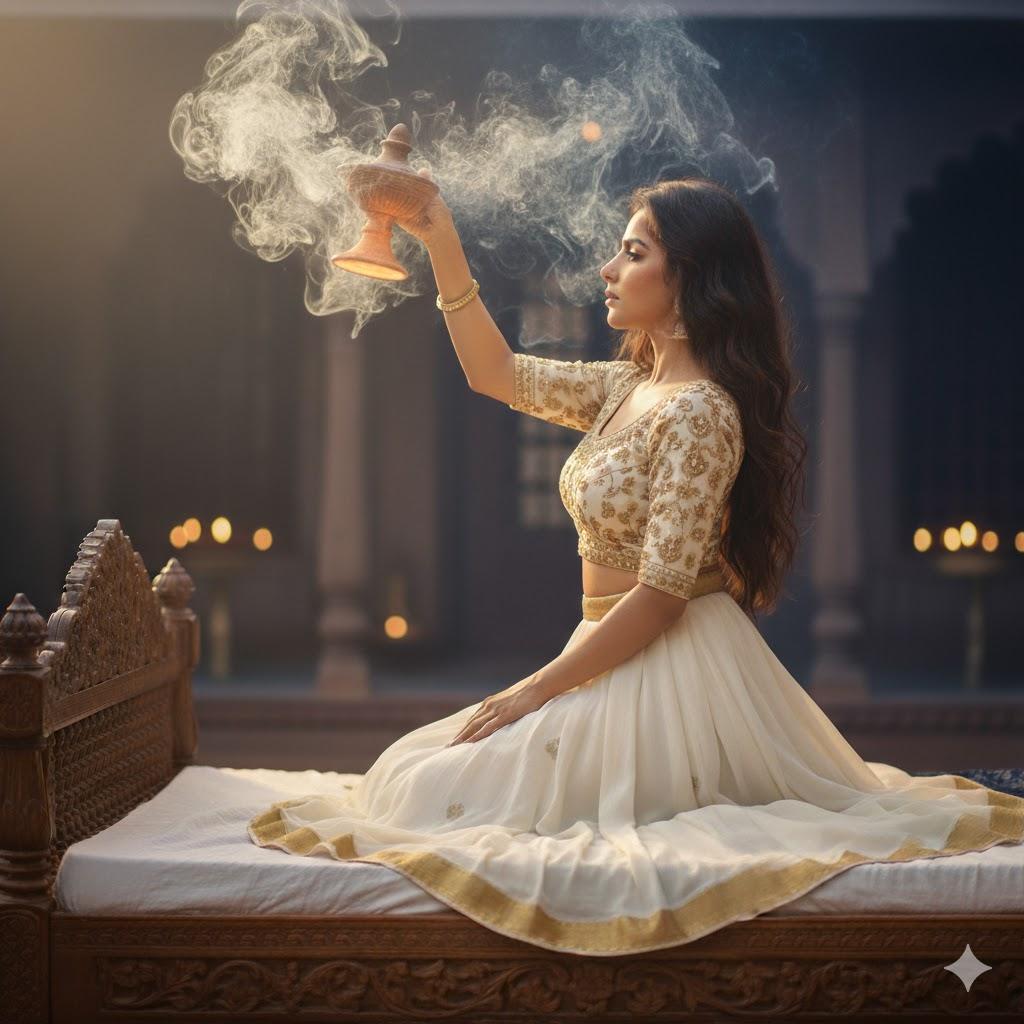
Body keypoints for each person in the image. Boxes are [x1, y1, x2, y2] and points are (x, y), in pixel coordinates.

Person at [249, 174, 1024, 957]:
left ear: (687, 275)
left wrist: (534, 690)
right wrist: (438, 235)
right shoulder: (628, 387)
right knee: (412, 773)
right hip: (602, 651)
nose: (607, 272)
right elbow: (495, 373)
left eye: (632, 253)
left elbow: (662, 598)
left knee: (434, 788)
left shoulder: (702, 411)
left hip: (667, 665)